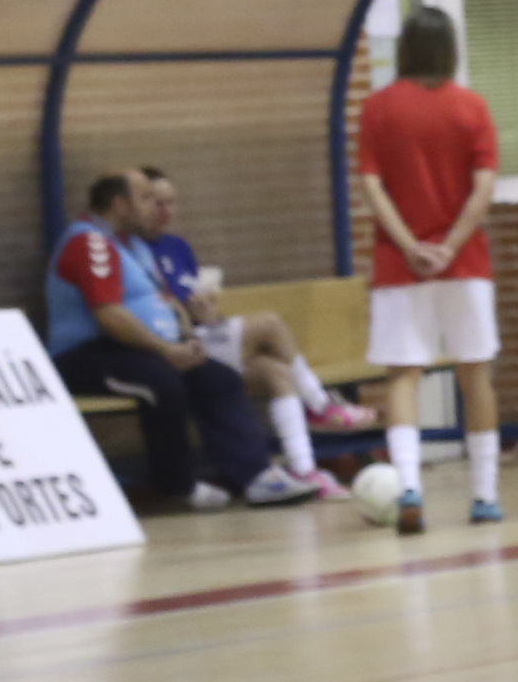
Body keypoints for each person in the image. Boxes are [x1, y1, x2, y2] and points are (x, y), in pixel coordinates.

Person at [45, 171, 316, 510]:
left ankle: (256, 477)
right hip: (86, 356)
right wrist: (166, 350)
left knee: (220, 379)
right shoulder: (90, 243)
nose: (155, 207)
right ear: (119, 204)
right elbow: (109, 314)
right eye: (146, 198)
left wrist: (188, 339)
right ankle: (178, 485)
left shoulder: (135, 246)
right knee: (162, 383)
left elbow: (167, 301)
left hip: (143, 350)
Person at [358, 5, 503, 533]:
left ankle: (409, 488)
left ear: (404, 48)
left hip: (400, 263)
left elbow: (372, 186)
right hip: (466, 262)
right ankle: (484, 495)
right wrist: (450, 245)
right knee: (475, 372)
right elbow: (483, 187)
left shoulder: (378, 109)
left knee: (404, 374)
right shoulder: (472, 107)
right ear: (451, 49)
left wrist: (412, 246)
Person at [139, 167, 364, 502]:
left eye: (171, 203)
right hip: (181, 348)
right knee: (270, 324)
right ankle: (319, 403)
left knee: (276, 371)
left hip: (206, 338)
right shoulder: (136, 252)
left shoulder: (178, 247)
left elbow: (198, 304)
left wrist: (209, 313)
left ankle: (304, 470)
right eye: (157, 203)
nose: (166, 211)